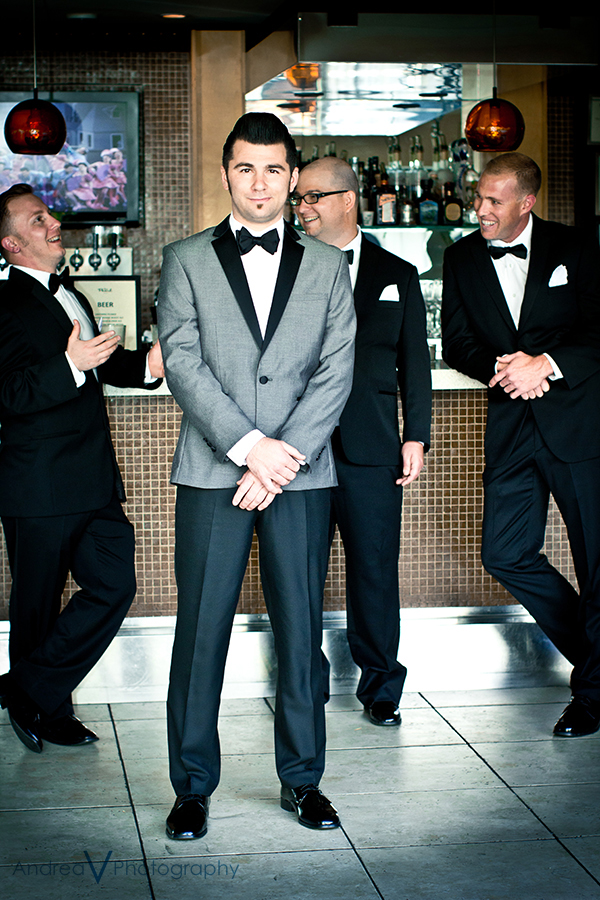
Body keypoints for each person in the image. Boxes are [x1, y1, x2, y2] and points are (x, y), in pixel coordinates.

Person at [158, 113, 355, 840]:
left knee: (301, 631)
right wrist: (249, 448)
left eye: (274, 169)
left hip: (299, 476)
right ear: (226, 174)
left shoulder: (330, 266)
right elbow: (183, 363)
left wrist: (281, 456)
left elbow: (336, 371)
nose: (260, 183)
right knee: (200, 631)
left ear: (292, 177)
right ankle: (191, 787)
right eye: (246, 168)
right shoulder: (184, 260)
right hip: (215, 472)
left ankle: (303, 781)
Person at [0, 183, 164, 753]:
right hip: (38, 483)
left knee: (115, 585)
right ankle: (48, 709)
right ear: (11, 243)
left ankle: (25, 689)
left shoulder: (72, 294)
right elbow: (7, 393)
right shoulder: (3, 304)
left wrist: (148, 366)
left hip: (93, 480)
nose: (54, 225)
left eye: (49, 215)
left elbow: (100, 364)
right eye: (37, 219)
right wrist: (69, 363)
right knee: (36, 607)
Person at [442, 152, 600, 737]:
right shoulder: (460, 256)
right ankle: (597, 659)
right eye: (479, 197)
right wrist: (503, 369)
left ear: (526, 203)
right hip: (511, 426)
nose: (480, 209)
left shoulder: (575, 247)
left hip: (577, 426)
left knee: (595, 563)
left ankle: (591, 695)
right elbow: (456, 341)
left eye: (494, 201)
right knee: (505, 552)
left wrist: (546, 364)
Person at [293, 157, 432, 726]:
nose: (302, 208)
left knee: (374, 570)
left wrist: (416, 436)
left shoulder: (399, 273)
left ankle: (381, 686)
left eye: (313, 197)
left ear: (347, 200)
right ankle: (305, 685)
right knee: (299, 573)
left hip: (372, 447)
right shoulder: (286, 266)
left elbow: (415, 362)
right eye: (299, 198)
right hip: (298, 448)